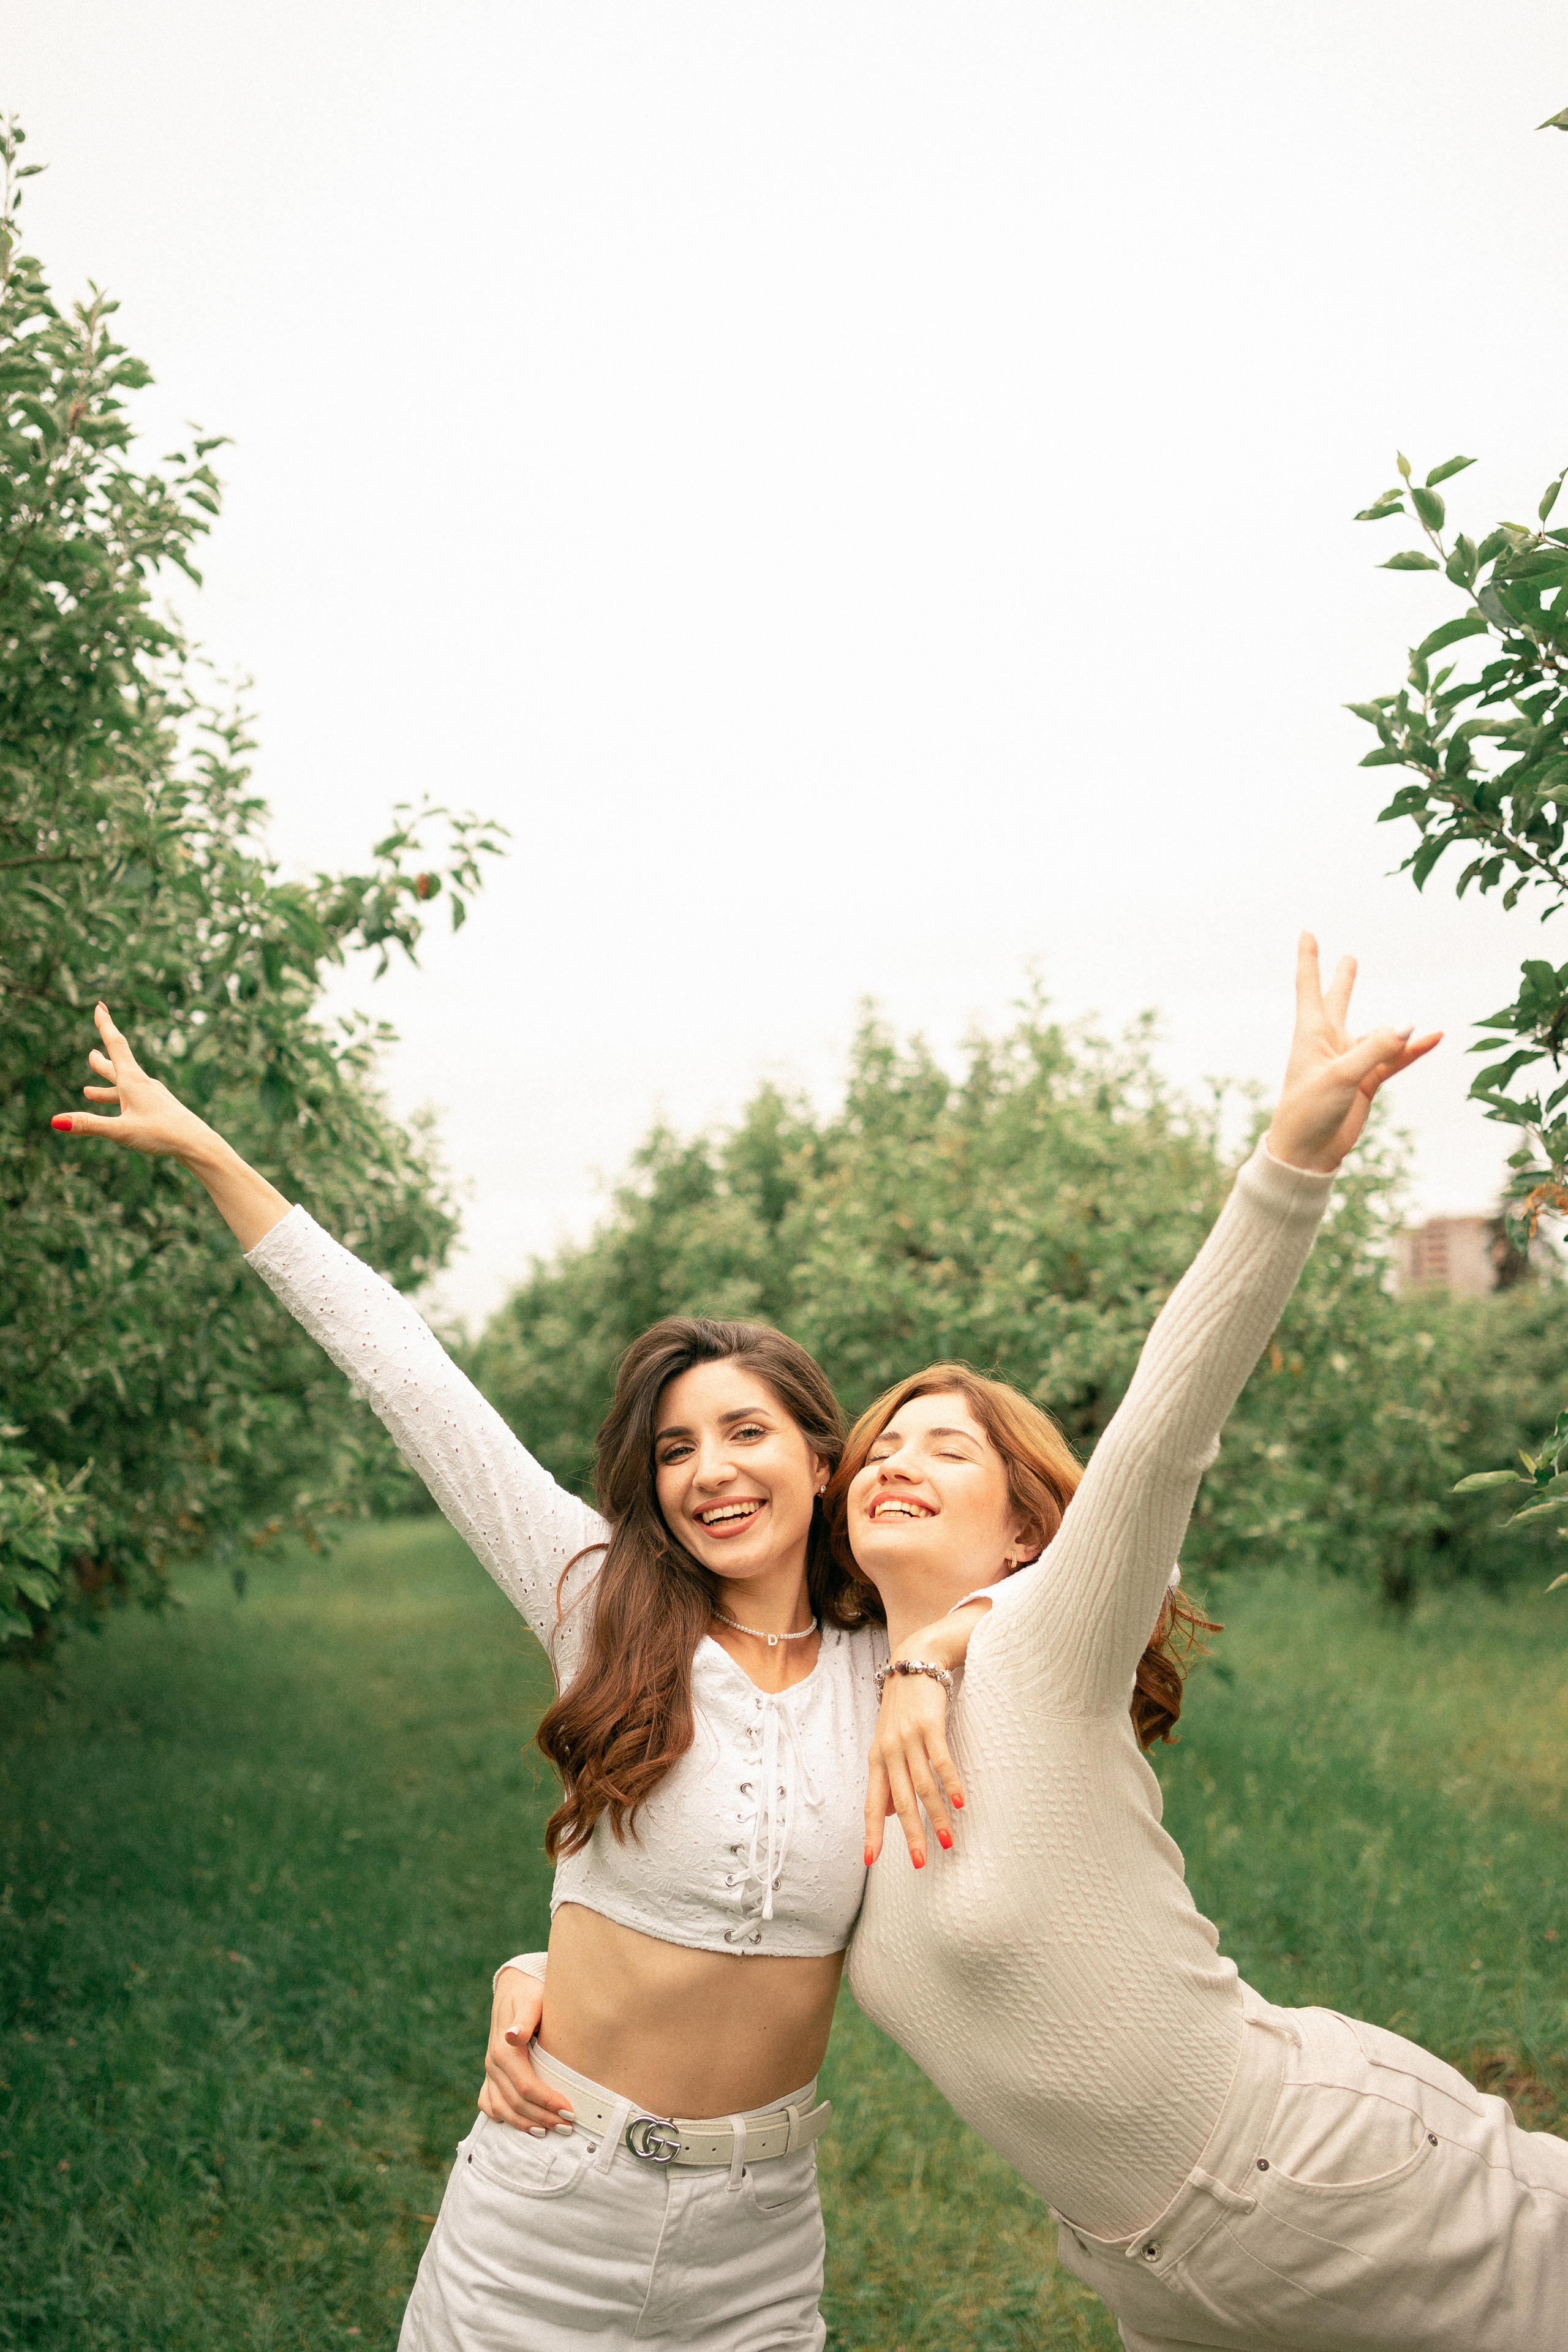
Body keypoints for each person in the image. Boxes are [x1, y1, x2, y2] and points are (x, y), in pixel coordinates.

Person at [48, 1002, 976, 2352]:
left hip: (760, 2237)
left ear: (822, 1457)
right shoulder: (600, 1596)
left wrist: (934, 1661)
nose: (709, 1470)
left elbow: (1095, 1590)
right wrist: (212, 1158)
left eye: (744, 1432)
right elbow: (405, 1374)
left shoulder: (884, 1660)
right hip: (547, 2203)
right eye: (673, 1451)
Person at [825, 936, 1567, 2351]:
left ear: (1028, 1531)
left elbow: (1165, 1429)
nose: (895, 1460)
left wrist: (1285, 1170)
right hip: (1152, 2281)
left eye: (945, 1447)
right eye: (876, 1445)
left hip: (1324, 2178)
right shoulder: (838, 1710)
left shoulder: (1040, 1637)